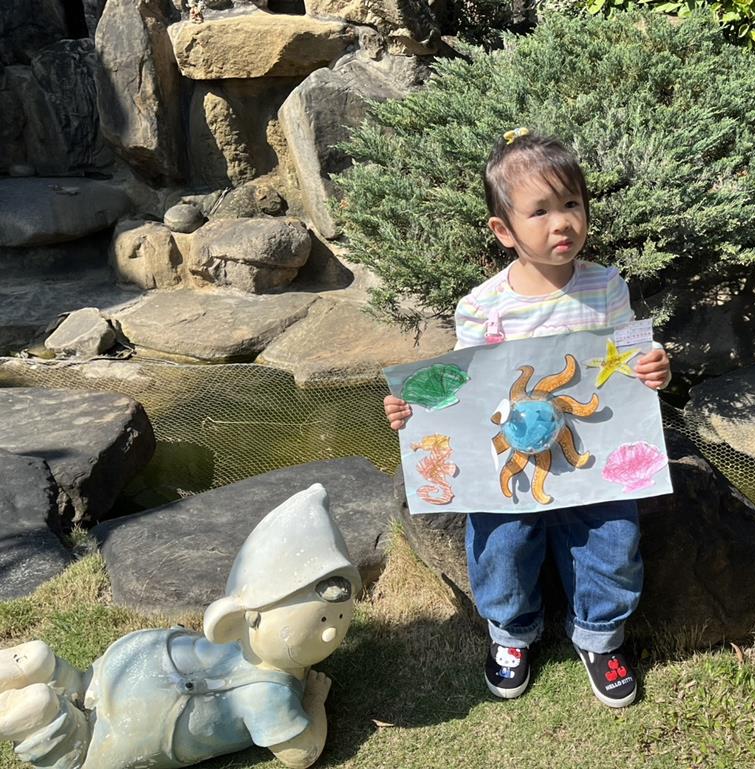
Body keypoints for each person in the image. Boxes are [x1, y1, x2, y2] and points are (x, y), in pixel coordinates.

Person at [384, 129, 671, 708]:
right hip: (509, 464)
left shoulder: (607, 286)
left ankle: (601, 635)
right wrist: (414, 409)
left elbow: (628, 358)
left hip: (592, 455)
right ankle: (511, 633)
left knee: (611, 536)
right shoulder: (481, 307)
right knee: (501, 542)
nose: (561, 222)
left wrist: (653, 364)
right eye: (539, 211)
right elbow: (462, 391)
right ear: (504, 230)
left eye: (571, 204)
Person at [0, 484, 360, 769]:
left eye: (340, 617)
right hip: (148, 721)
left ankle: (43, 671)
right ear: (246, 619)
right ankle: (39, 715)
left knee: (76, 681)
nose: (332, 632)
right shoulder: (269, 695)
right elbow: (302, 754)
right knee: (84, 748)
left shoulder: (236, 639)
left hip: (138, 658)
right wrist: (314, 699)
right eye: (322, 621)